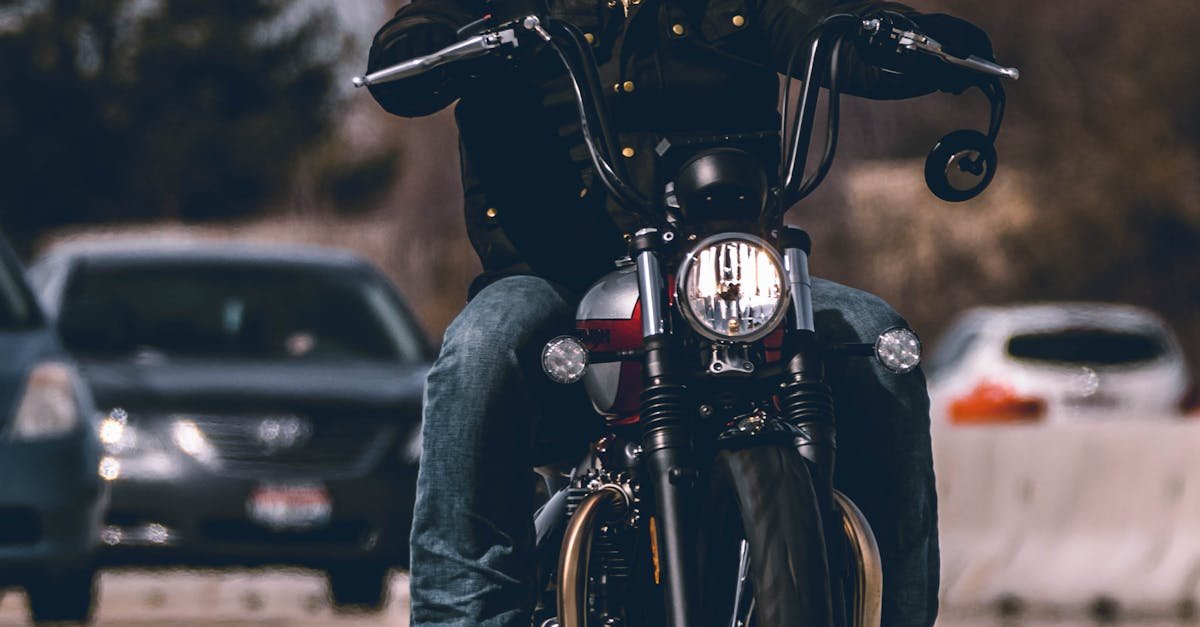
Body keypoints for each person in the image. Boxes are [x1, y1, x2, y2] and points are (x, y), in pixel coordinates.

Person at [366, 0, 993, 624]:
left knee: (877, 342)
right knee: (481, 346)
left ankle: (894, 613)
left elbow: (825, 26)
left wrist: (912, 39)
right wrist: (428, 46)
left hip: (724, 280)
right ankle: (463, 615)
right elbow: (410, 51)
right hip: (552, 278)